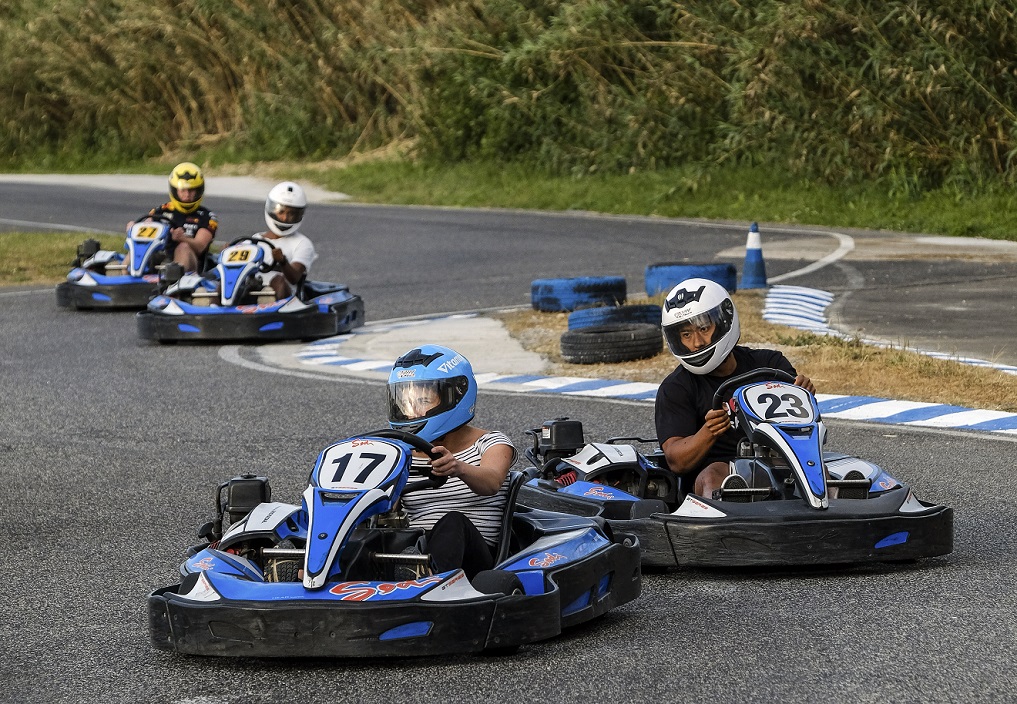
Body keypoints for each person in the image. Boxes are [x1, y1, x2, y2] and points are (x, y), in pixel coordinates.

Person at [654, 277, 816, 499]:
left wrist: (803, 396)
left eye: (703, 327)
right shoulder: (676, 388)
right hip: (722, 471)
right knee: (713, 478)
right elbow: (676, 461)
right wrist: (708, 432)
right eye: (686, 334)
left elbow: (805, 431)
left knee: (825, 475)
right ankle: (728, 523)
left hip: (781, 463)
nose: (697, 343)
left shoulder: (771, 364)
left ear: (724, 320)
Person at [386, 345, 516, 579]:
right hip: (413, 550)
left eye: (423, 399)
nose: (413, 409)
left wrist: (459, 468)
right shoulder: (399, 453)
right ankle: (320, 573)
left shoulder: (491, 442)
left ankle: (429, 582)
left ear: (455, 396)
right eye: (406, 400)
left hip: (475, 558)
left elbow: (492, 482)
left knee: (452, 521)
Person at [129, 162, 218, 273]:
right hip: (160, 257)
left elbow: (200, 246)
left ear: (199, 190)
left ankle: (174, 281)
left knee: (183, 247)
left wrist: (182, 238)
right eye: (183, 190)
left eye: (191, 190)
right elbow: (147, 226)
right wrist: (134, 229)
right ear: (175, 190)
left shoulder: (206, 217)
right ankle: (125, 275)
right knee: (139, 245)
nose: (187, 195)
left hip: (192, 265)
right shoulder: (160, 211)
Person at [256, 181, 317, 300]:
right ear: (271, 209)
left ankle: (268, 304)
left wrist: (283, 261)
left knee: (278, 280)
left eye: (292, 214)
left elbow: (294, 278)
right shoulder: (255, 240)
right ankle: (213, 307)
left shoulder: (302, 243)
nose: (285, 218)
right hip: (252, 287)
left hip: (287, 298)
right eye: (281, 212)